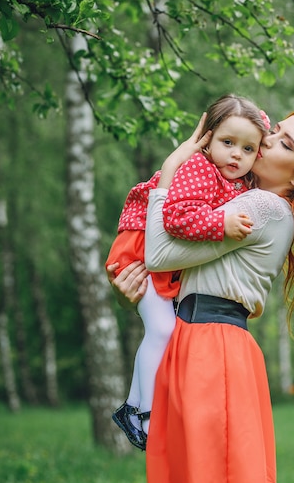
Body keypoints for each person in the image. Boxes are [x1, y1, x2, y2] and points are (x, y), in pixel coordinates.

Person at [108, 107, 294, 483]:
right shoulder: (244, 198)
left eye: (284, 144)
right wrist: (143, 296)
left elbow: (159, 254)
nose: (265, 142)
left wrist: (169, 171)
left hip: (211, 351)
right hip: (197, 340)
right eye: (275, 130)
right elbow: (184, 273)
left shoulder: (261, 206)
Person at [106, 94, 271, 450]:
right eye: (227, 142)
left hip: (156, 257)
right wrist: (221, 223)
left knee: (163, 328)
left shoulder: (238, 183)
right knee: (162, 328)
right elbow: (177, 218)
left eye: (247, 148)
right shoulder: (198, 168)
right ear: (207, 138)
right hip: (139, 251)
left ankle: (134, 407)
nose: (236, 155)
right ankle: (145, 415)